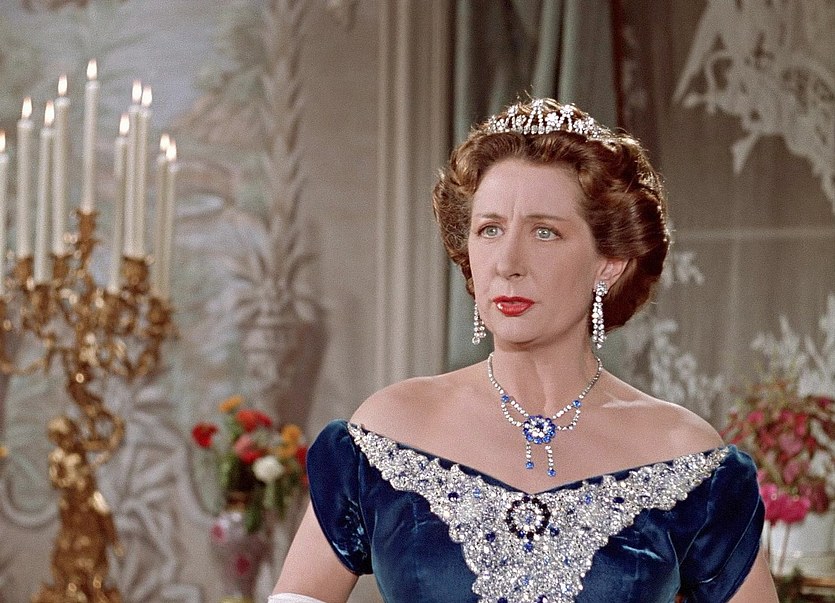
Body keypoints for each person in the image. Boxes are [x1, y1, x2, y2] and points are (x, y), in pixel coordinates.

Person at [270, 98, 778, 602]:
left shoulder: (686, 458)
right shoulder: (386, 433)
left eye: (545, 232)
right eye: (489, 230)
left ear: (609, 261)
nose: (507, 262)